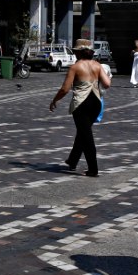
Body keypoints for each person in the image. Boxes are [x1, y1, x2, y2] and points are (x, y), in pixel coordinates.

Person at [49, 39, 111, 178]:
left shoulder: (75, 67)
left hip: (81, 104)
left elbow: (65, 89)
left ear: (78, 53)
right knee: (83, 132)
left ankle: (93, 169)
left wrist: (54, 100)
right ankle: (73, 160)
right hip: (95, 103)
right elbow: (107, 84)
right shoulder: (97, 65)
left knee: (86, 136)